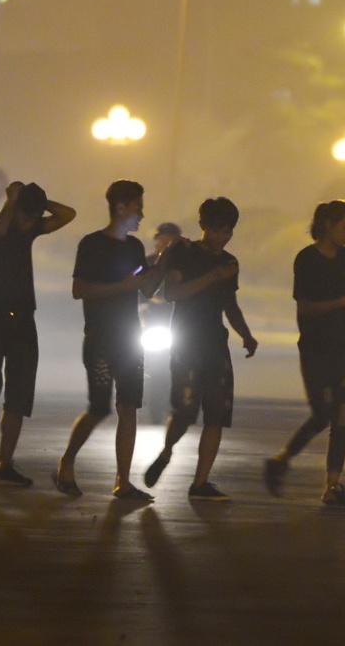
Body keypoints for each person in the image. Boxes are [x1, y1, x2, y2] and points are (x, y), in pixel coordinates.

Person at [53, 181, 170, 500]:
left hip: (130, 340)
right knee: (99, 407)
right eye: (137, 207)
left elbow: (146, 288)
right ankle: (67, 461)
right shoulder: (92, 244)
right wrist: (122, 286)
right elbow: (79, 290)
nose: (142, 214)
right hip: (100, 340)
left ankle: (123, 482)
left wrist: (164, 260)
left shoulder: (134, 247)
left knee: (128, 407)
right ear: (120, 207)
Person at [0, 181, 75, 486]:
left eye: (33, 219)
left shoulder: (30, 228)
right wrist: (12, 199)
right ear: (14, 210)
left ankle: (4, 465)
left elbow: (68, 214)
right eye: (25, 217)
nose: (28, 224)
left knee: (19, 394)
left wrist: (39, 203)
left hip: (24, 320)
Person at [143, 197, 258, 501]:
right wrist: (212, 276)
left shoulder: (230, 263)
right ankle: (167, 451)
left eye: (229, 231)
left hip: (215, 343)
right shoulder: (186, 253)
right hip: (186, 342)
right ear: (204, 226)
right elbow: (173, 293)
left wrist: (246, 335)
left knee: (216, 414)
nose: (224, 237)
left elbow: (230, 304)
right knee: (185, 410)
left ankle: (201, 482)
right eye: (218, 230)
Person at [264, 200, 345, 506]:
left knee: (342, 417)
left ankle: (332, 485)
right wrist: (342, 302)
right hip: (315, 347)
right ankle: (281, 460)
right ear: (328, 225)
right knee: (322, 413)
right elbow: (305, 307)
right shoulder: (307, 259)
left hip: (342, 345)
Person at [142, 222, 183, 424]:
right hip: (149, 322)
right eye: (162, 240)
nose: (165, 244)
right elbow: (132, 286)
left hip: (176, 323)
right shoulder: (145, 264)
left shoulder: (185, 266)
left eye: (170, 241)